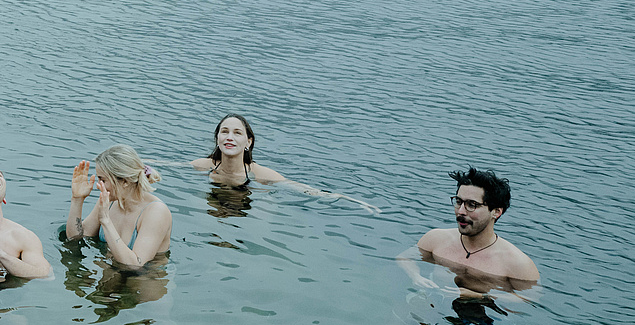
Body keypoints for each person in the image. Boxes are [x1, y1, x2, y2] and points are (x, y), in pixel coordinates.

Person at [183, 114, 379, 213]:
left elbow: (306, 190)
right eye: (224, 132)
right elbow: (166, 166)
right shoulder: (204, 165)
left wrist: (354, 201)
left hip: (247, 207)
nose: (229, 137)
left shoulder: (261, 175)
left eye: (237, 133)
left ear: (248, 142)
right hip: (215, 204)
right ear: (217, 137)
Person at [398, 167, 539, 297]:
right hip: (435, 304)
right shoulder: (436, 239)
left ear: (496, 212)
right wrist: (415, 276)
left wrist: (481, 296)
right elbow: (404, 258)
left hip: (484, 317)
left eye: (472, 205)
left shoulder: (518, 263)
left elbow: (530, 298)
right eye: (458, 202)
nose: (460, 211)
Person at [64, 144, 172, 267]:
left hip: (143, 281)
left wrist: (105, 220)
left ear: (125, 181)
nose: (98, 185)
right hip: (110, 276)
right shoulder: (110, 200)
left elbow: (135, 265)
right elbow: (76, 238)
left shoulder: (156, 212)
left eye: (103, 180)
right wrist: (77, 199)